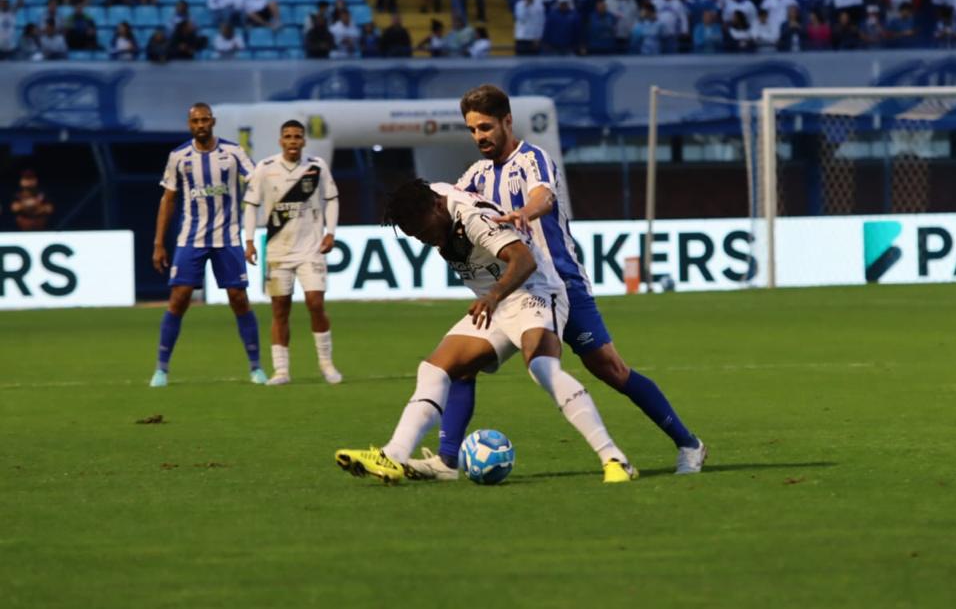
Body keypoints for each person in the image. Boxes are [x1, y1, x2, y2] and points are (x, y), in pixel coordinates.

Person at [404, 85, 706, 481]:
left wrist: (524, 213)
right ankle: (446, 460)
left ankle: (689, 443)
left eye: (486, 127)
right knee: (462, 366)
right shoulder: (476, 175)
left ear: (507, 122)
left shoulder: (533, 159)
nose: (479, 137)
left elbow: (544, 196)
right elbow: (450, 205)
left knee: (611, 370)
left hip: (560, 282)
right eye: (473, 130)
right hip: (517, 289)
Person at [335, 179, 639, 484]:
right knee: (435, 369)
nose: (426, 240)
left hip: (534, 291)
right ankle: (396, 456)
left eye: (426, 231)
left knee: (542, 367)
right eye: (417, 236)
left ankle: (614, 458)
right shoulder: (431, 198)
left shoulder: (472, 220)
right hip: (495, 303)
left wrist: (493, 296)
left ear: (438, 207)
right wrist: (493, 299)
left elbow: (524, 260)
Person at [149, 103, 266, 388]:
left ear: (213, 121)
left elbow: (256, 182)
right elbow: (168, 200)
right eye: (195, 121)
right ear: (189, 125)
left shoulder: (233, 152)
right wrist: (158, 243)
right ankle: (161, 370)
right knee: (179, 298)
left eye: (204, 120)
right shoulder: (179, 156)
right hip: (191, 237)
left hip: (227, 237)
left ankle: (256, 367)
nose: (200, 125)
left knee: (238, 298)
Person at [242, 120, 342, 386]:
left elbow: (331, 199)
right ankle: (282, 371)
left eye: (298, 136)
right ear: (280, 140)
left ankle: (326, 364)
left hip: (311, 249)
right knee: (280, 310)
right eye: (288, 136)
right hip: (277, 250)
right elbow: (251, 205)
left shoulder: (317, 167)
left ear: (304, 141)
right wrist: (250, 240)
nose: (293, 141)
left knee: (316, 303)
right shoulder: (265, 169)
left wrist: (330, 232)